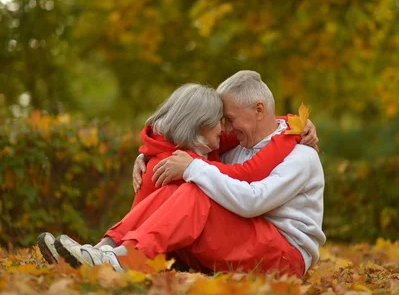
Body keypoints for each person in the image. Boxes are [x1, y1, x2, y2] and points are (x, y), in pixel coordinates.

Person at [38, 74, 323, 276]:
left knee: (195, 188)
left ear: (259, 110)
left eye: (230, 120)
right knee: (179, 187)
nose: (225, 129)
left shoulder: (301, 155)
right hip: (249, 240)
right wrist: (147, 156)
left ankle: (123, 259)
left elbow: (253, 202)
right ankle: (104, 249)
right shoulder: (241, 145)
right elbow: (194, 156)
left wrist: (191, 167)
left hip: (286, 256)